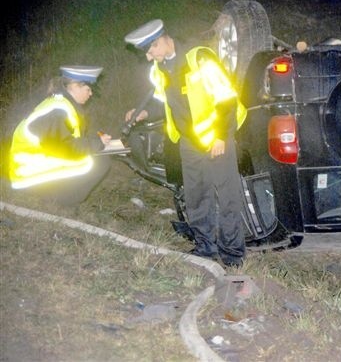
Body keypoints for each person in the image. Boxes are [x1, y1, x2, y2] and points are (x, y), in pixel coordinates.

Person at [124, 19, 247, 267]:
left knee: (226, 195)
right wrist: (143, 113)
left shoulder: (199, 59)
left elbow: (227, 100)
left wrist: (221, 135)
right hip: (189, 141)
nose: (149, 58)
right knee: (196, 195)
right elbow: (162, 103)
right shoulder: (160, 70)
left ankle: (232, 254)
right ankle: (206, 248)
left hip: (216, 137)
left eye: (151, 51)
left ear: (162, 41)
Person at [9, 66, 112, 206]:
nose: (91, 94)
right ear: (75, 87)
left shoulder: (62, 104)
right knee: (98, 162)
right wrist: (96, 143)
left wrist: (96, 141)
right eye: (88, 89)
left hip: (34, 166)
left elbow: (65, 140)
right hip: (27, 174)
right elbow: (65, 149)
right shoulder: (58, 110)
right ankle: (63, 201)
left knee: (95, 154)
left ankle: (58, 195)